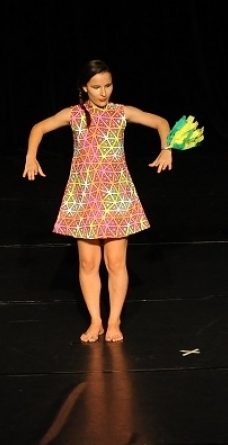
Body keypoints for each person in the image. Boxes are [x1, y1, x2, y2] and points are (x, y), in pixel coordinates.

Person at [23, 59, 173, 342]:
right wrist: (31, 156)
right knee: (88, 264)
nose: (104, 92)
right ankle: (96, 321)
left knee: (116, 263)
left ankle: (114, 321)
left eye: (108, 85)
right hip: (84, 195)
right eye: (96, 87)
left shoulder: (120, 112)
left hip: (116, 194)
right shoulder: (74, 114)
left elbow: (160, 122)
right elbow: (39, 128)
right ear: (84, 87)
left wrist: (167, 148)